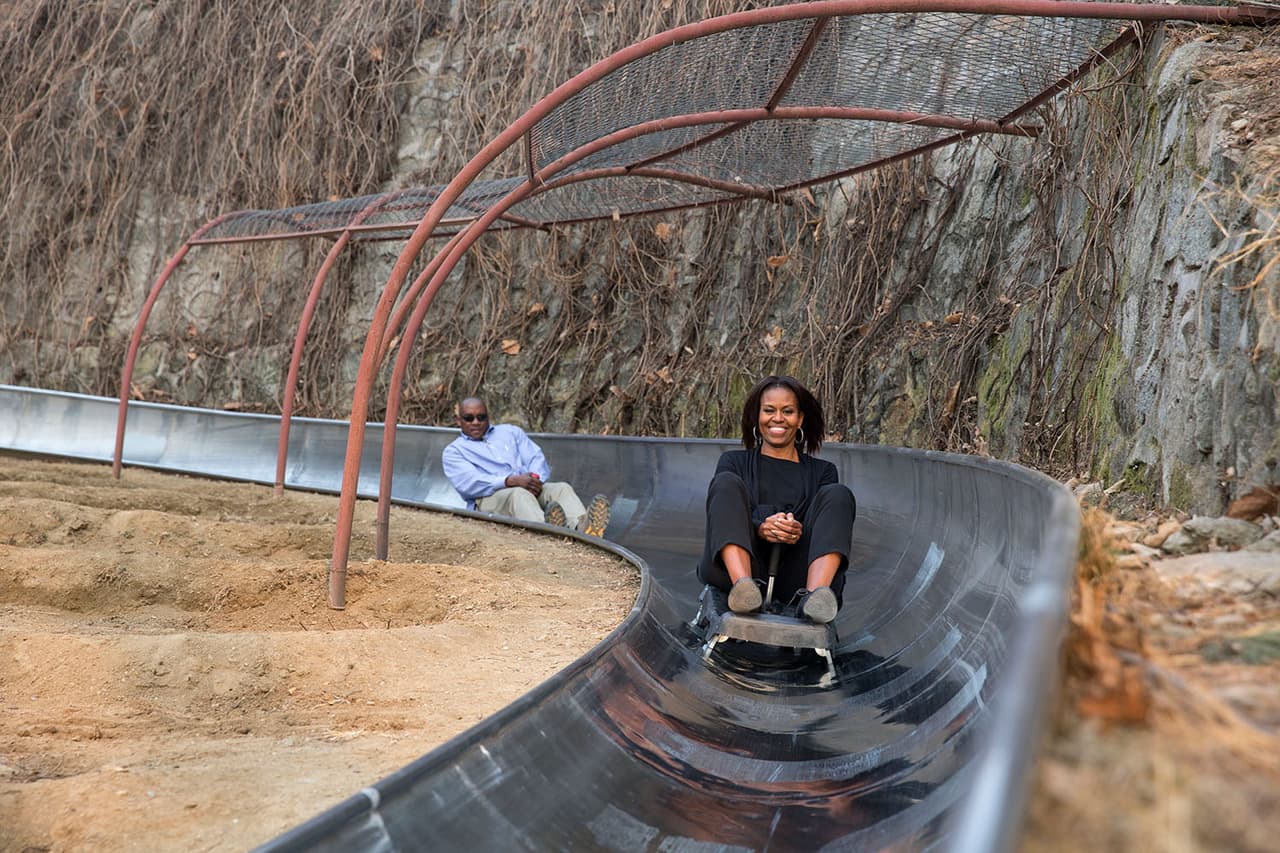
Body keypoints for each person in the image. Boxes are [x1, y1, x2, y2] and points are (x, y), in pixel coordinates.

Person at [695, 375, 855, 623]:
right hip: (743, 565)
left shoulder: (823, 472)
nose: (778, 418)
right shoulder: (733, 463)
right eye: (769, 410)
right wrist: (761, 528)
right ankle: (743, 589)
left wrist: (792, 529)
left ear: (800, 418)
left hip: (795, 577)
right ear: (757, 417)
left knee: (839, 494)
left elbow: (822, 529)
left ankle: (814, 599)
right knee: (724, 483)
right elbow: (726, 517)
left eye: (787, 411)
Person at [441, 396, 611, 537]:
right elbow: (471, 484)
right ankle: (550, 536)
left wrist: (534, 480)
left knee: (561, 488)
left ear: (488, 417)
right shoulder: (454, 451)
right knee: (518, 494)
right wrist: (511, 481)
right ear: (459, 421)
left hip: (526, 486)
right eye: (469, 418)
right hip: (489, 499)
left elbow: (535, 457)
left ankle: (583, 530)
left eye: (481, 417)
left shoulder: (510, 432)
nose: (476, 422)